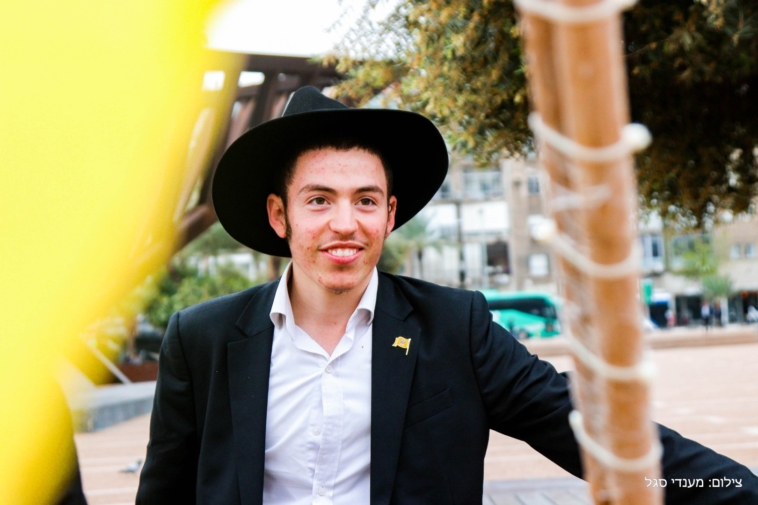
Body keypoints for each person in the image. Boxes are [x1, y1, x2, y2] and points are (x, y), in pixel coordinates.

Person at [136, 87, 758, 504]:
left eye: (366, 201)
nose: (345, 224)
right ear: (280, 215)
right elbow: (163, 493)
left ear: (389, 215)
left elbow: (594, 435)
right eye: (319, 200)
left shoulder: (455, 328)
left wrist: (733, 491)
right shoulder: (203, 338)